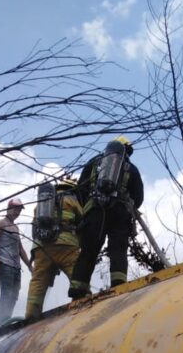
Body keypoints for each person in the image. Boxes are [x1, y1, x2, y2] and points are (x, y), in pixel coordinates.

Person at [68, 136, 145, 298]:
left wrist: (88, 207)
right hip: (120, 213)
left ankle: (77, 288)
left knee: (89, 249)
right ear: (126, 150)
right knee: (118, 249)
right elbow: (138, 197)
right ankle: (118, 284)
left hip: (95, 212)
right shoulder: (131, 168)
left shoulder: (94, 164)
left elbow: (80, 189)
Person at [24, 177, 83, 320]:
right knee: (77, 276)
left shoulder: (40, 206)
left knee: (38, 281)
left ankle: (31, 313)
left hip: (42, 249)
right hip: (66, 246)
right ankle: (83, 303)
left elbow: (34, 228)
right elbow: (82, 221)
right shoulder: (71, 201)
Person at [0, 197, 33, 325]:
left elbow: (20, 249)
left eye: (19, 210)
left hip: (16, 267)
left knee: (14, 295)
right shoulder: (1, 223)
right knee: (6, 293)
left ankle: (7, 320)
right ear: (9, 208)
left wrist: (30, 266)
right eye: (15, 209)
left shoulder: (15, 227)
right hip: (5, 264)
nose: (17, 212)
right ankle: (2, 323)